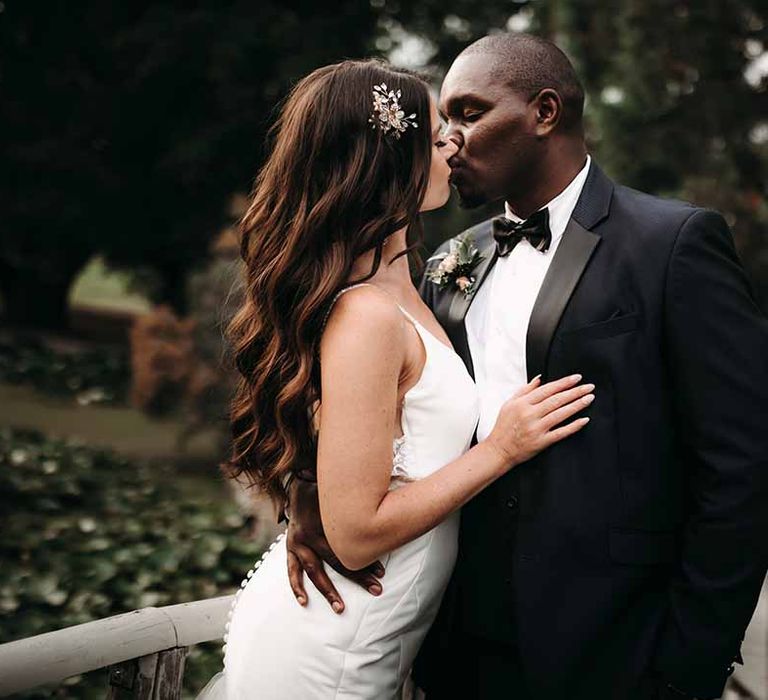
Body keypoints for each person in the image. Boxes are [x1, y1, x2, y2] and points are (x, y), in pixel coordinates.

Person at [284, 34, 768, 700]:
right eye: (442, 122)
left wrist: (692, 660)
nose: (450, 140)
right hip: (456, 648)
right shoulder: (449, 262)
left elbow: (741, 468)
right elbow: (375, 399)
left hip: (617, 648)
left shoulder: (672, 245)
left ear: (544, 113)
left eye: (469, 113)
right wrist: (308, 496)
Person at [196, 58, 592, 699]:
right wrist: (501, 447)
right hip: (333, 648)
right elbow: (353, 537)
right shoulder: (367, 315)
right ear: (390, 161)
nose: (453, 145)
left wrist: (308, 482)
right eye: (437, 136)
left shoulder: (415, 283)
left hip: (381, 637)